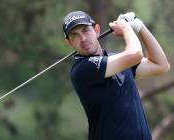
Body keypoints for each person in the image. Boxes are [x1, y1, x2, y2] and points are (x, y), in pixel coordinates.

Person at [62, 11, 170, 140]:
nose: (83, 39)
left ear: (96, 30)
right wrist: (126, 28)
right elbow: (135, 54)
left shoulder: (116, 60)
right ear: (69, 42)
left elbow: (161, 65)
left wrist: (139, 27)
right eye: (75, 35)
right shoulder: (82, 69)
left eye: (86, 30)